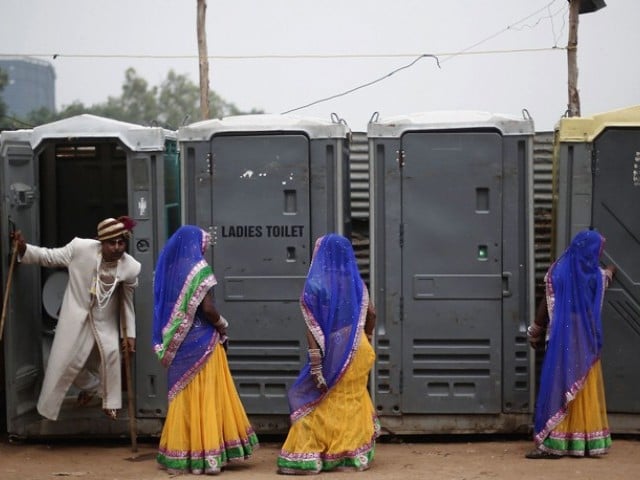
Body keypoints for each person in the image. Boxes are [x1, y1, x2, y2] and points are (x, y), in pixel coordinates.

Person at [153, 225, 258, 475]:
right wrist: (223, 325)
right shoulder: (199, 271)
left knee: (184, 397)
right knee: (208, 397)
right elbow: (208, 309)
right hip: (203, 342)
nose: (204, 249)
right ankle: (210, 456)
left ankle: (183, 455)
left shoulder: (167, 272)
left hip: (179, 346)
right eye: (203, 244)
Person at [11, 216, 141, 421]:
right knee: (66, 363)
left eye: (121, 242)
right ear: (100, 242)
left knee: (112, 354)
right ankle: (94, 388)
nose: (117, 248)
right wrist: (24, 249)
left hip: (104, 322)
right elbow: (49, 257)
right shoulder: (80, 248)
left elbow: (127, 302)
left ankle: (111, 404)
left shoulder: (130, 267)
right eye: (111, 243)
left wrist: (129, 334)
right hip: (75, 318)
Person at [277, 233, 379, 474]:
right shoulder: (355, 282)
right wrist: (367, 337)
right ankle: (349, 456)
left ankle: (308, 456)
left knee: (317, 398)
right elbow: (372, 313)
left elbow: (312, 327)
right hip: (359, 348)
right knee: (350, 399)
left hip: (334, 351)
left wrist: (315, 365)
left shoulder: (317, 283)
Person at [526, 229, 616, 459]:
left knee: (560, 386)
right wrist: (611, 271)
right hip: (585, 342)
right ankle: (585, 442)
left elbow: (545, 304)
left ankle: (556, 443)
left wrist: (535, 331)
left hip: (561, 341)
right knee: (582, 388)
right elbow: (604, 279)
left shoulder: (558, 271)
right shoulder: (596, 275)